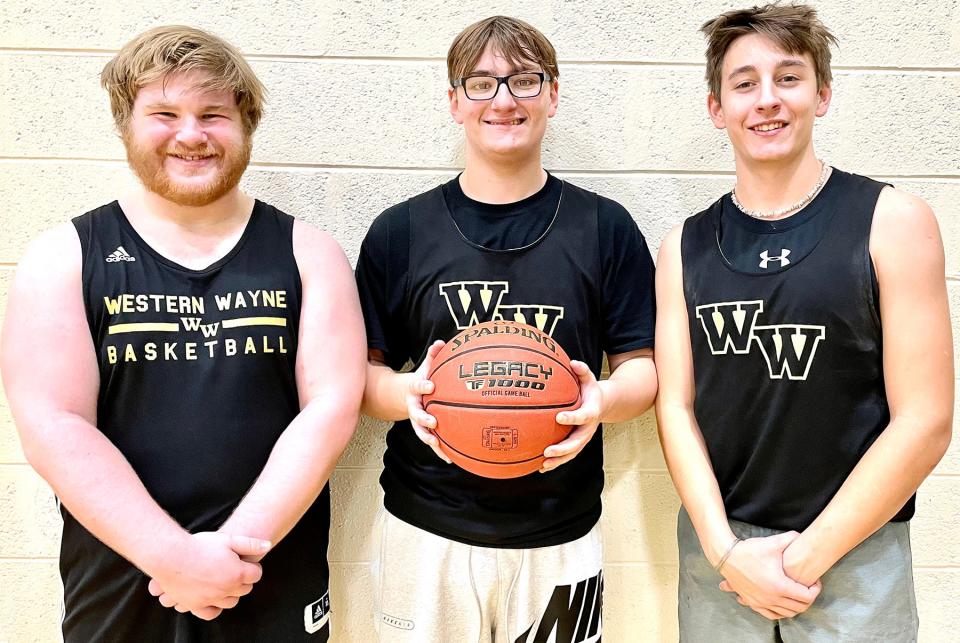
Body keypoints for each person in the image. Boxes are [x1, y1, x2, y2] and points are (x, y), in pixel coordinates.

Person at [0, 25, 365, 641]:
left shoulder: (309, 252)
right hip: (120, 582)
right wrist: (172, 557)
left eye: (214, 114)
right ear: (126, 124)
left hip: (271, 573)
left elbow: (330, 410)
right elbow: (53, 424)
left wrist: (232, 557)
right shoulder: (63, 257)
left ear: (246, 125)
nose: (191, 134)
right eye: (164, 112)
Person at [355, 15, 658, 643]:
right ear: (454, 101)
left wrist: (598, 399)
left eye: (524, 81)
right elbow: (362, 376)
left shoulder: (606, 227)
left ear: (551, 94)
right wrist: (406, 396)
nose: (504, 99)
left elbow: (643, 369)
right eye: (482, 83)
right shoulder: (400, 232)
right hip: (424, 525)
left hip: (561, 527)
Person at [654, 4, 953, 641]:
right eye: (744, 83)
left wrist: (802, 558)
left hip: (855, 551)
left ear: (822, 94)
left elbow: (925, 421)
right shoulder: (683, 244)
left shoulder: (893, 220)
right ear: (717, 107)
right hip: (722, 557)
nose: (767, 100)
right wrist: (724, 551)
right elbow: (674, 407)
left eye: (788, 78)